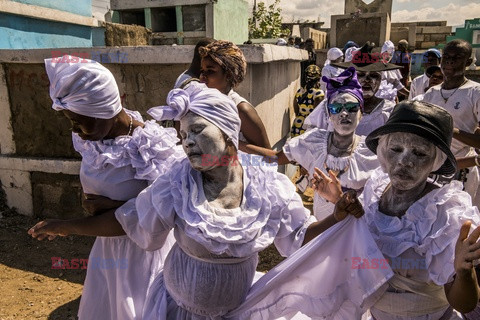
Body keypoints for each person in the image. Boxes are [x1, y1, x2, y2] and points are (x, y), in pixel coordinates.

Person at [29, 82, 390, 319]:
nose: (186, 142)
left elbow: (299, 240)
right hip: (174, 310)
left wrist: (335, 217)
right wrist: (64, 227)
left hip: (237, 310)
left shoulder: (269, 188)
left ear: (229, 136)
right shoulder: (178, 184)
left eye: (197, 131)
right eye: (183, 134)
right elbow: (129, 221)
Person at [34, 57, 184, 319]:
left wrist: (68, 225)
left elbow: (161, 214)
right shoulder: (92, 139)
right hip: (107, 249)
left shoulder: (149, 148)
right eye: (70, 121)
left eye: (80, 121)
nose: (76, 131)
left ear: (105, 110)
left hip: (142, 255)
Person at [317, 100, 480, 319]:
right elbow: (359, 239)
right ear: (383, 153)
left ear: (436, 161)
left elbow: (465, 303)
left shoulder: (446, 214)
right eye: (395, 149)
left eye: (419, 153)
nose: (404, 161)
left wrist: (463, 273)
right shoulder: (374, 192)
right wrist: (339, 202)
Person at [242, 67, 380, 221]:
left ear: (361, 113)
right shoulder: (313, 142)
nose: (344, 113)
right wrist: (234, 149)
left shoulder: (371, 153)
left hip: (357, 233)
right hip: (322, 231)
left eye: (351, 108)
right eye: (336, 108)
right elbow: (275, 158)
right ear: (328, 115)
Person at [422, 39, 480, 207]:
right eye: (447, 56)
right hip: (431, 168)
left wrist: (450, 130)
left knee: (459, 221)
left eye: (458, 57)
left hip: (462, 171)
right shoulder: (431, 93)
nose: (451, 61)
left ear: (468, 62)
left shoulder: (474, 92)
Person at [305, 43, 400, 137]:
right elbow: (311, 136)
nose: (367, 80)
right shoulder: (330, 106)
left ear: (380, 80)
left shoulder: (389, 110)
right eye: (361, 75)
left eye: (374, 76)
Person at [198, 40, 271, 150]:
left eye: (210, 71)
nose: (203, 76)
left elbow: (268, 155)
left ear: (228, 75)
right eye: (202, 70)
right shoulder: (199, 103)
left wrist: (226, 141)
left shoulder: (241, 109)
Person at [291, 64, 324, 137]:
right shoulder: (318, 94)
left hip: (297, 124)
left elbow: (296, 110)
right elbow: (317, 114)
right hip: (309, 126)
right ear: (319, 78)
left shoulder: (300, 91)